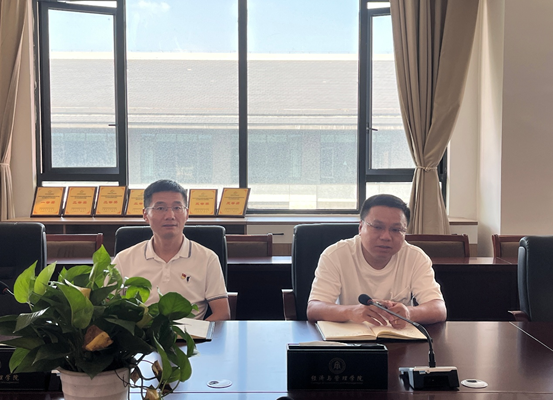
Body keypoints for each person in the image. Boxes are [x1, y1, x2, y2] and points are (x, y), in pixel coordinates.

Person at [306, 194, 446, 328]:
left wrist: (409, 313)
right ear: (361, 227)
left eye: (396, 229)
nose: (386, 237)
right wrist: (351, 312)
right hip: (349, 338)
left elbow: (438, 308)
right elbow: (314, 308)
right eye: (377, 227)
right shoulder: (335, 255)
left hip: (399, 338)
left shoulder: (415, 257)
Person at [113, 179, 230, 321]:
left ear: (186, 213)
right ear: (145, 215)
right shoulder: (124, 259)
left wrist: (196, 332)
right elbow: (107, 309)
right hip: (139, 334)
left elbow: (222, 313)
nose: (170, 216)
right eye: (160, 208)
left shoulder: (207, 258)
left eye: (177, 208)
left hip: (191, 334)